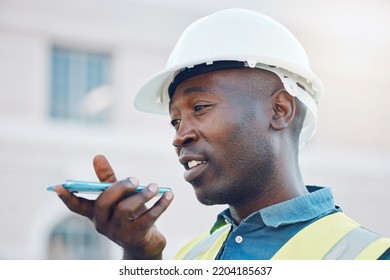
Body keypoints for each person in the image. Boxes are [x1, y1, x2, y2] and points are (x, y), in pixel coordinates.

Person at [53, 8, 390, 260]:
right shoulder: (189, 257)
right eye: (174, 121)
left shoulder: (369, 258)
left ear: (279, 111)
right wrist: (140, 254)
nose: (179, 136)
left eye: (199, 107)